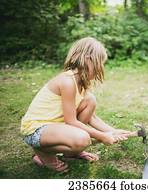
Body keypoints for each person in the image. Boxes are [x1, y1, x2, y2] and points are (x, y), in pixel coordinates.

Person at [20, 37, 132, 172]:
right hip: (36, 129)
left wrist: (112, 131)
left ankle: (71, 153)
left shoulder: (81, 83)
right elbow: (71, 121)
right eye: (99, 63)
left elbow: (92, 118)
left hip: (54, 126)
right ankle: (43, 152)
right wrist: (102, 136)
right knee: (83, 138)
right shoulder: (67, 81)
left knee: (90, 100)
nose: (100, 68)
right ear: (87, 59)